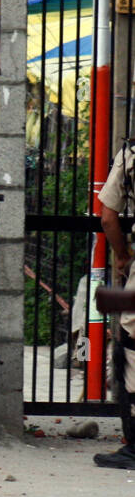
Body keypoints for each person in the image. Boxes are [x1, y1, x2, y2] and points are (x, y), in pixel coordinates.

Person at [94, 142, 135, 468]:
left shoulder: (131, 154)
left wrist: (122, 256)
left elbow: (108, 218)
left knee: (132, 344)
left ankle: (133, 447)